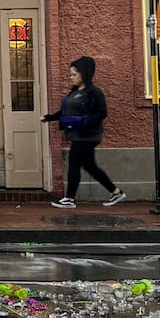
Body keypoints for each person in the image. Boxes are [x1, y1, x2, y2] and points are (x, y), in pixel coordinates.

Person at [42, 55, 124, 209]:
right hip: (78, 134)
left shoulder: (94, 92)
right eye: (70, 74)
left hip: (87, 135)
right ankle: (116, 192)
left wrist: (85, 124)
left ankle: (69, 198)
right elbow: (67, 111)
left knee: (74, 163)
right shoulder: (74, 91)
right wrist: (50, 117)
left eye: (74, 74)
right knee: (90, 166)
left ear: (84, 74)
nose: (71, 77)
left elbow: (101, 113)